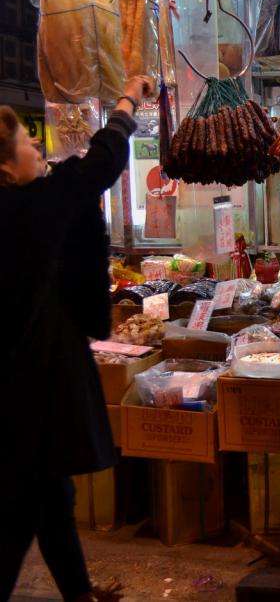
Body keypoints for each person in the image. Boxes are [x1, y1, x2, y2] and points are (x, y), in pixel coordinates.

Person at [1, 75, 153, 602]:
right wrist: (127, 104)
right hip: (27, 380)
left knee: (50, 494)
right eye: (27, 143)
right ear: (5, 169)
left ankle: (78, 593)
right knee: (24, 504)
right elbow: (98, 167)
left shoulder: (22, 210)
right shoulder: (24, 209)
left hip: (27, 376)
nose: (38, 148)